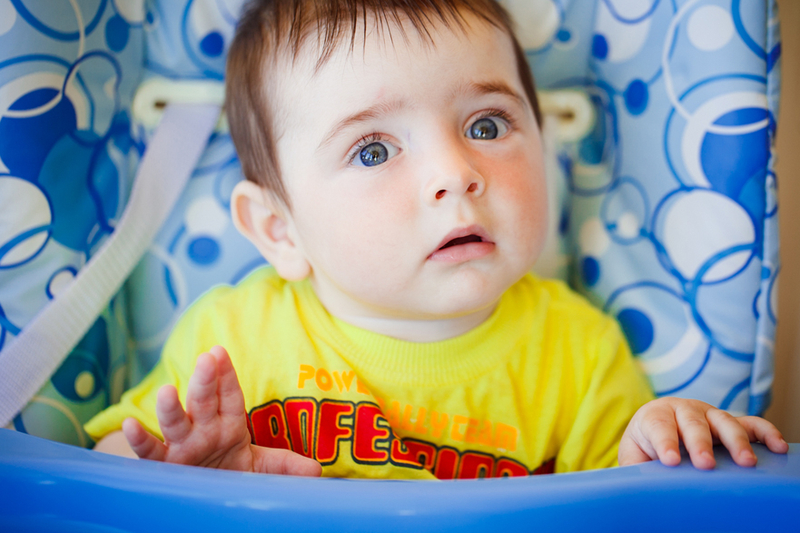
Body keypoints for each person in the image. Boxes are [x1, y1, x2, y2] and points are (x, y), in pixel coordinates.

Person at [86, 0, 788, 479]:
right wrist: (190, 477)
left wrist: (660, 438)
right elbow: (109, 466)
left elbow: (629, 506)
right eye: (372, 150)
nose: (455, 172)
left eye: (487, 125)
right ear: (279, 229)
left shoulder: (581, 356)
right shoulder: (230, 342)